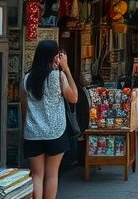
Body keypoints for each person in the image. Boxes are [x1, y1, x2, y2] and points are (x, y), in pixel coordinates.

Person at [21, 40, 78, 199]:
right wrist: (66, 69)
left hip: (33, 133)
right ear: (54, 57)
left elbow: (24, 108)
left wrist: (27, 127)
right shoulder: (58, 77)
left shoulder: (27, 78)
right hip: (56, 132)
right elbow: (74, 98)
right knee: (52, 174)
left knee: (36, 174)